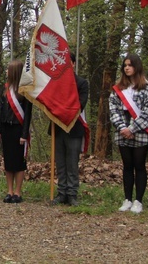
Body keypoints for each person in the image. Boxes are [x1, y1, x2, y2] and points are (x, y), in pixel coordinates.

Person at [109, 53, 148, 214]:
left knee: (139, 166)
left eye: (130, 65)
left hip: (140, 132)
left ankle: (138, 201)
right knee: (127, 166)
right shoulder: (118, 89)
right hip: (122, 133)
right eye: (125, 65)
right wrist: (122, 127)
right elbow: (113, 109)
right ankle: (127, 199)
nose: (127, 68)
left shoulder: (147, 88)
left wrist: (133, 128)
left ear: (137, 67)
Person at [51, 52, 89, 206]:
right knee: (60, 163)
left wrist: (63, 112)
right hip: (58, 128)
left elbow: (80, 104)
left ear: (73, 64)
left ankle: (72, 194)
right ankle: (61, 193)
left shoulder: (81, 83)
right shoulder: (54, 83)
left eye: (69, 62)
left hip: (74, 128)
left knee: (72, 163)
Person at [0, 59, 32, 203]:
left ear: (14, 72)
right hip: (6, 128)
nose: (6, 72)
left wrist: (24, 135)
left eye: (8, 69)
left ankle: (18, 192)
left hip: (18, 129)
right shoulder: (5, 90)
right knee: (8, 161)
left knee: (19, 162)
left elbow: (27, 115)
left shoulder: (25, 91)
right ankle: (9, 191)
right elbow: (0, 112)